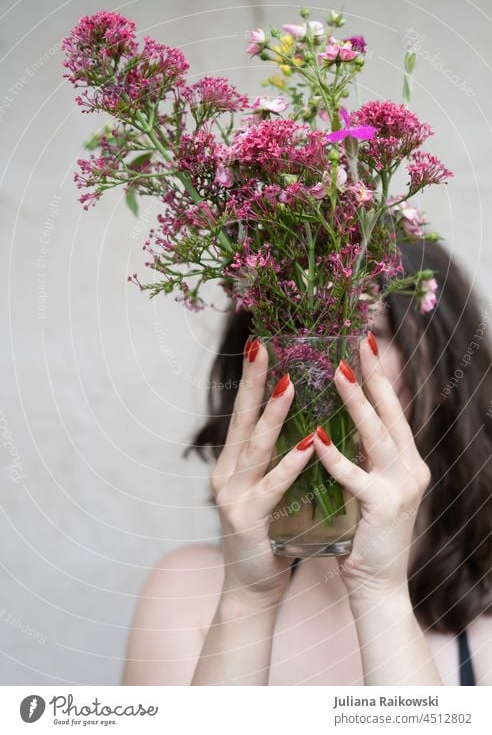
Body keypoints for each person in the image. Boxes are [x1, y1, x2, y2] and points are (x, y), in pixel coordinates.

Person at [122, 240, 492, 686]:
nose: (311, 364)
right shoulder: (185, 596)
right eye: (287, 337)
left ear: (443, 355)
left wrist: (380, 595)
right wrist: (249, 599)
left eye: (361, 329)